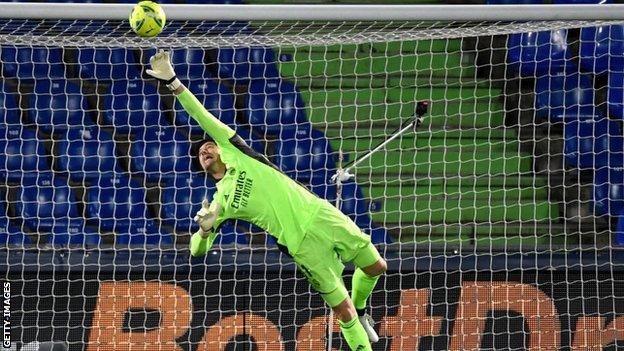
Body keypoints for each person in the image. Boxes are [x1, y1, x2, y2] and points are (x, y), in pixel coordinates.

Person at [146, 50, 387, 351]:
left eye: (208, 146)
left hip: (318, 213)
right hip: (300, 245)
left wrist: (173, 81)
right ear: (202, 167)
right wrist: (205, 231)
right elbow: (196, 251)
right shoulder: (221, 202)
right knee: (342, 310)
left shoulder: (236, 149)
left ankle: (363, 310)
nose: (204, 151)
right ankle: (359, 330)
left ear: (219, 148)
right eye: (199, 153)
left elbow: (200, 114)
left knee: (376, 266)